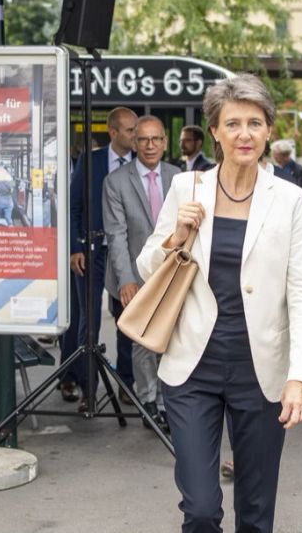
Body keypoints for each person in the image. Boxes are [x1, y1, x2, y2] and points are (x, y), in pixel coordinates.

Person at [137, 74, 302, 532]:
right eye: (232, 123)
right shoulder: (187, 188)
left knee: (256, 512)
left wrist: (299, 375)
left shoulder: (289, 199)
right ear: (214, 131)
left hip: (261, 370)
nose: (244, 134)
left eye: (254, 123)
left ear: (268, 130)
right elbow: (146, 267)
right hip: (191, 367)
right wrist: (176, 237)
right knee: (200, 508)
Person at [103, 115, 180, 433]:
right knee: (143, 342)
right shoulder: (116, 181)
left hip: (172, 272)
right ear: (133, 143)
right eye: (144, 139)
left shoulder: (179, 177)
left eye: (156, 139)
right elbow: (116, 235)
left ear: (164, 142)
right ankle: (149, 401)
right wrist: (127, 280)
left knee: (173, 338)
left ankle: (168, 400)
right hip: (134, 272)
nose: (150, 145)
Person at [69, 106, 137, 410]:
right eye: (130, 130)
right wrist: (74, 248)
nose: (136, 135)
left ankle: (126, 384)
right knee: (89, 322)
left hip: (126, 254)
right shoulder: (90, 162)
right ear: (113, 133)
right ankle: (89, 391)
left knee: (129, 319)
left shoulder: (140, 165)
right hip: (92, 252)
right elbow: (72, 208)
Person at [270, 139, 302, 219]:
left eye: (275, 154)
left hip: (294, 213)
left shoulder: (298, 171)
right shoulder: (274, 169)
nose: (274, 157)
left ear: (285, 155)